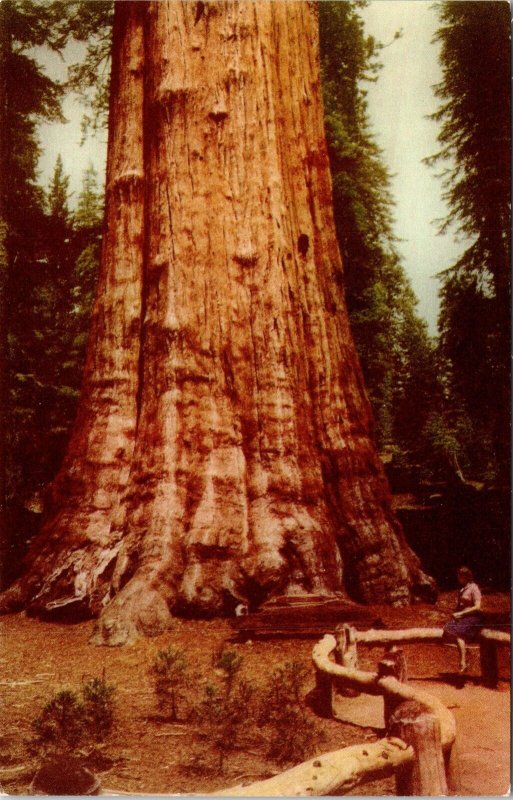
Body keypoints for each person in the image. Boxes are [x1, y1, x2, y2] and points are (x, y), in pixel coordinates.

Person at [443, 566, 484, 672]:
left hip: (473, 616)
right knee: (448, 628)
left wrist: (461, 613)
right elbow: (460, 604)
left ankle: (463, 662)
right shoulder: (462, 588)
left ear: (466, 577)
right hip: (463, 616)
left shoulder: (474, 588)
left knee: (458, 634)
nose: (458, 578)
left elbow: (477, 606)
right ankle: (465, 651)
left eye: (460, 576)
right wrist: (456, 613)